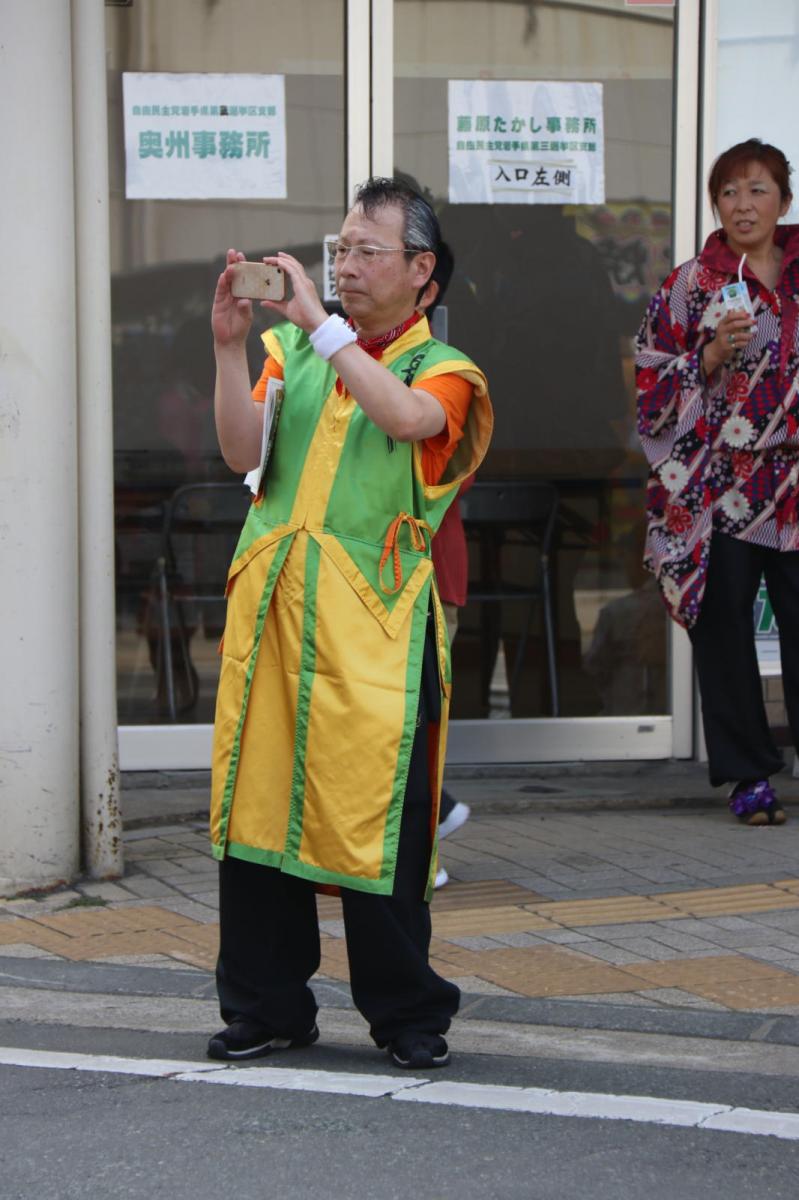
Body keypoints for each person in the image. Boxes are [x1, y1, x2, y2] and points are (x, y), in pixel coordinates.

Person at [208, 177, 493, 1070]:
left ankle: (408, 1014)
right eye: (340, 249)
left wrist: (323, 333)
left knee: (384, 831)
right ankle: (267, 1004)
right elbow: (241, 452)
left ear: (423, 275)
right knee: (255, 821)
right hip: (278, 621)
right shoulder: (291, 349)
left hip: (376, 636)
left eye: (367, 251)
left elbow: (407, 419)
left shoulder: (442, 370)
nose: (346, 267)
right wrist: (228, 351)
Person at [636, 138, 799, 826]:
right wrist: (705, 355)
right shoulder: (688, 284)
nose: (742, 204)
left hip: (795, 488)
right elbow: (648, 382)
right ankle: (747, 777)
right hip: (717, 492)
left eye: (757, 189)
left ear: (783, 201)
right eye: (728, 192)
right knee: (724, 630)